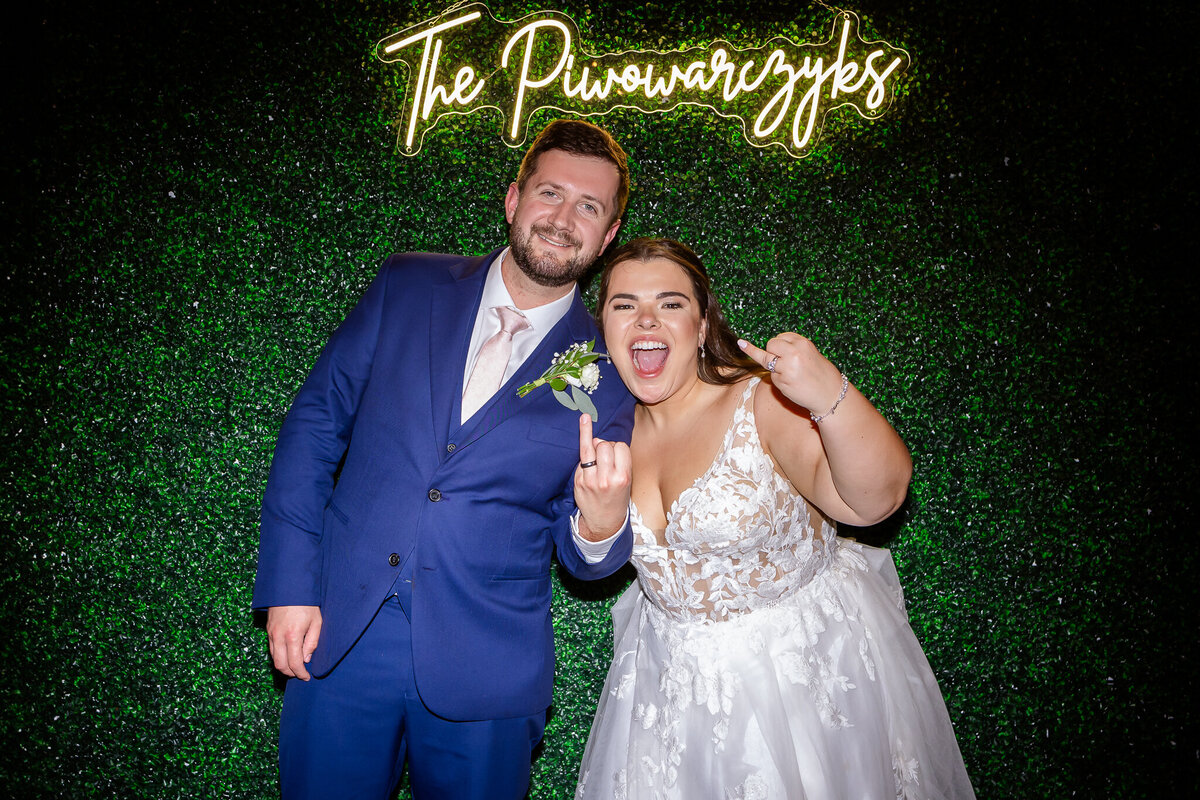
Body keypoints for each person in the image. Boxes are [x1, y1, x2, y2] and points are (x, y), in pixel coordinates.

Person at [252, 119, 638, 800]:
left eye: (589, 207)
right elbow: (315, 426)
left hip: (487, 671)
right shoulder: (406, 284)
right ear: (513, 199)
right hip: (339, 636)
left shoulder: (608, 375)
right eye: (550, 194)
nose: (562, 219)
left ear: (607, 236)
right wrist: (289, 585)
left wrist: (601, 525)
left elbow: (585, 556)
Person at [576, 238, 975, 799]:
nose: (646, 318)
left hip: (801, 689)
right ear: (605, 329)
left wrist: (831, 396)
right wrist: (597, 523)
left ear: (701, 321)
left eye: (670, 303)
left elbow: (875, 501)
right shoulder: (603, 427)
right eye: (624, 305)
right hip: (666, 696)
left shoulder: (762, 402)